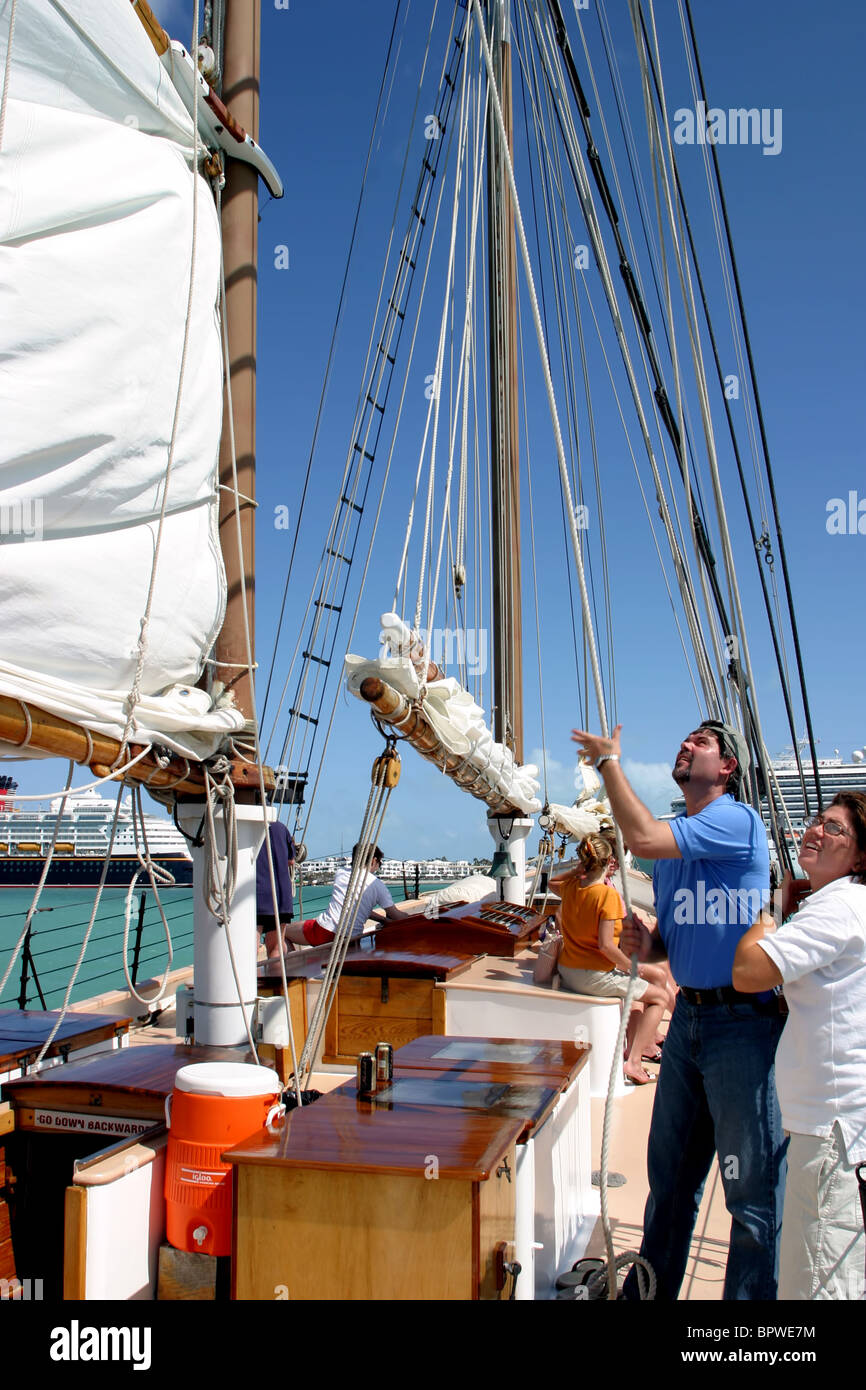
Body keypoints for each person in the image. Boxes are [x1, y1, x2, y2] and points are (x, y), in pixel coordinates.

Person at [571, 719, 786, 1300]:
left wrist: (608, 762)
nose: (686, 744)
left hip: (742, 1025)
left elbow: (639, 838)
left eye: (703, 742)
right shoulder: (676, 846)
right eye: (685, 737)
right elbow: (675, 930)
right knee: (668, 1183)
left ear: (727, 770)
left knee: (750, 1197)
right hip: (690, 1020)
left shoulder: (735, 819)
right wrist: (653, 946)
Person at [733, 793, 866, 1300]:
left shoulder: (837, 908)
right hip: (834, 1122)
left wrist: (772, 910)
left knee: (815, 1283)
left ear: (858, 857)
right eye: (817, 821)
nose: (815, 831)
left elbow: (748, 972)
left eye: (834, 829)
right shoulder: (847, 904)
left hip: (833, 1130)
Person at [550, 832, 674, 1085]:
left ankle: (641, 1045)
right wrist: (632, 968)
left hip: (569, 970)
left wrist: (578, 871)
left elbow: (552, 881)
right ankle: (635, 1061)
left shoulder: (571, 888)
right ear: (609, 863)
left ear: (584, 862)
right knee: (659, 996)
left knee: (647, 989)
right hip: (592, 975)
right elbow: (607, 947)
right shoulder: (606, 896)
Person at [285, 842, 404, 947]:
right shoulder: (377, 885)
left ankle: (288, 970)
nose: (378, 867)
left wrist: (382, 919)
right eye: (379, 863)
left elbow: (355, 906)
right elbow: (395, 915)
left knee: (280, 932)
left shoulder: (340, 873)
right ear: (373, 860)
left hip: (325, 931)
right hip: (351, 938)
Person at [256, 818, 296, 959]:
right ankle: (276, 980)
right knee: (276, 948)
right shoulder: (281, 827)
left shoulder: (249, 825)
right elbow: (291, 861)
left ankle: (247, 980)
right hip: (280, 895)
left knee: (249, 947)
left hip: (258, 895)